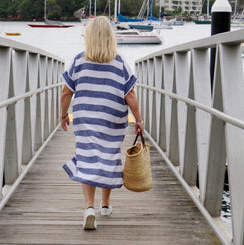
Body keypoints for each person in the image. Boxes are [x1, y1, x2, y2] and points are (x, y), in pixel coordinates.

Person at [60, 16, 144, 230]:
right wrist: (139, 120)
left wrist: (63, 115)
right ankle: (105, 205)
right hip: (112, 119)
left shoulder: (79, 60)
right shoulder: (120, 61)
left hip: (86, 118)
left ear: (89, 37)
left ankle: (89, 207)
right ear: (110, 37)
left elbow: (66, 92)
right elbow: (130, 95)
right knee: (108, 155)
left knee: (87, 157)